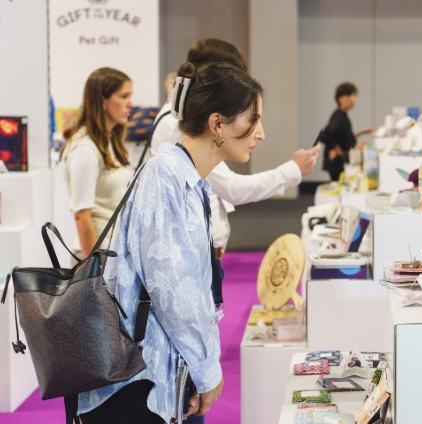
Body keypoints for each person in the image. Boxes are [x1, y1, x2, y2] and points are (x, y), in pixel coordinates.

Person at [77, 61, 264, 423]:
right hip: (136, 382)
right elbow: (172, 287)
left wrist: (200, 367)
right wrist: (208, 370)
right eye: (252, 119)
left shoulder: (185, 176)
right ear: (217, 125)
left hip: (162, 373)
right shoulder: (166, 175)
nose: (260, 133)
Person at [152, 38, 320, 264]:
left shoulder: (180, 135)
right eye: (252, 118)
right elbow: (232, 188)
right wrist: (292, 171)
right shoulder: (177, 133)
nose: (260, 134)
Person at [60, 67, 134, 263]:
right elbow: (82, 216)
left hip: (113, 253)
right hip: (99, 256)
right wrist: (92, 268)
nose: (130, 104)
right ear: (102, 101)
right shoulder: (84, 149)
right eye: (124, 96)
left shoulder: (106, 141)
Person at [321, 82, 372, 181]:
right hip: (336, 163)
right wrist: (335, 149)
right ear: (339, 98)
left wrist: (362, 132)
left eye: (354, 96)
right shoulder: (338, 117)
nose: (353, 99)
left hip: (340, 161)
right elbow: (324, 135)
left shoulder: (343, 116)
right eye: (349, 96)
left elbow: (345, 137)